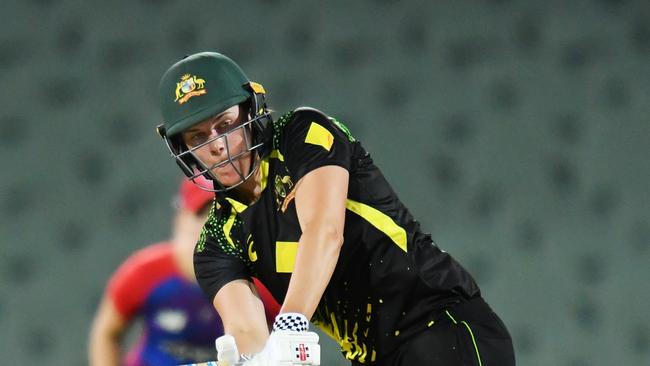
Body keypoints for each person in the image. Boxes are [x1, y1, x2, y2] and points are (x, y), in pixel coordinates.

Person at [155, 51, 516, 366]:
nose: (217, 145)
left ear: (251, 110)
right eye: (198, 137)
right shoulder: (216, 242)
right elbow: (247, 330)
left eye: (226, 124)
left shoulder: (300, 134)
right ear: (182, 148)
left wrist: (291, 323)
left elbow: (325, 231)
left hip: (440, 324)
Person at [88, 177, 281, 366]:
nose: (211, 224)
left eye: (223, 213)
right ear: (180, 218)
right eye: (202, 213)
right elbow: (106, 333)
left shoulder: (263, 280)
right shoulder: (146, 272)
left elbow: (288, 341)